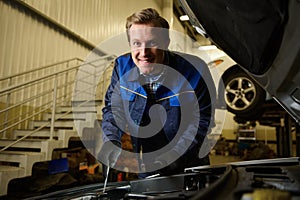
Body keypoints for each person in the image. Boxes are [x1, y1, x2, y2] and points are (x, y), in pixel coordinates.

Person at [98, 8, 215, 178]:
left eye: (152, 43)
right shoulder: (122, 67)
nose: (144, 53)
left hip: (190, 162)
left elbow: (202, 119)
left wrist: (176, 154)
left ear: (166, 42)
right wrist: (110, 141)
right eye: (136, 43)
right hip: (148, 162)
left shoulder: (195, 71)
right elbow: (113, 109)